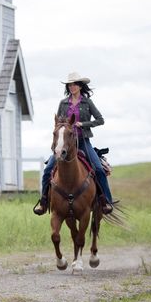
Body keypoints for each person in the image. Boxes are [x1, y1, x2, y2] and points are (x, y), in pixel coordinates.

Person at [33, 72, 113, 215]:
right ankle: (44, 202)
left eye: (74, 84)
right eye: (70, 85)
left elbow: (100, 120)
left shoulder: (87, 102)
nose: (72, 87)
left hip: (83, 141)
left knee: (99, 169)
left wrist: (84, 124)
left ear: (80, 86)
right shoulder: (63, 103)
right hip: (65, 143)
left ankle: (105, 201)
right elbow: (58, 123)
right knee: (47, 170)